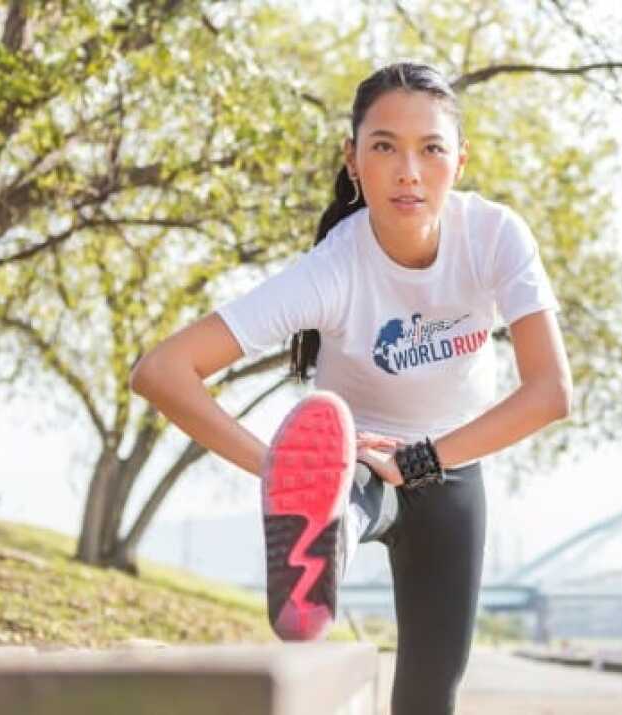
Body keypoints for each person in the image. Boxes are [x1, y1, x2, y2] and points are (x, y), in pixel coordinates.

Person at [129, 61, 572, 714]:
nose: (408, 171)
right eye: (384, 147)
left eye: (430, 149)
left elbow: (550, 392)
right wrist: (280, 466)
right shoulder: (334, 268)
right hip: (352, 464)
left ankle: (330, 515)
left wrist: (421, 458)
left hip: (450, 472)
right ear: (353, 160)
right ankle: (322, 520)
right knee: (352, 487)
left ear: (461, 160)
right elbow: (161, 371)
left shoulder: (494, 237)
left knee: (428, 696)